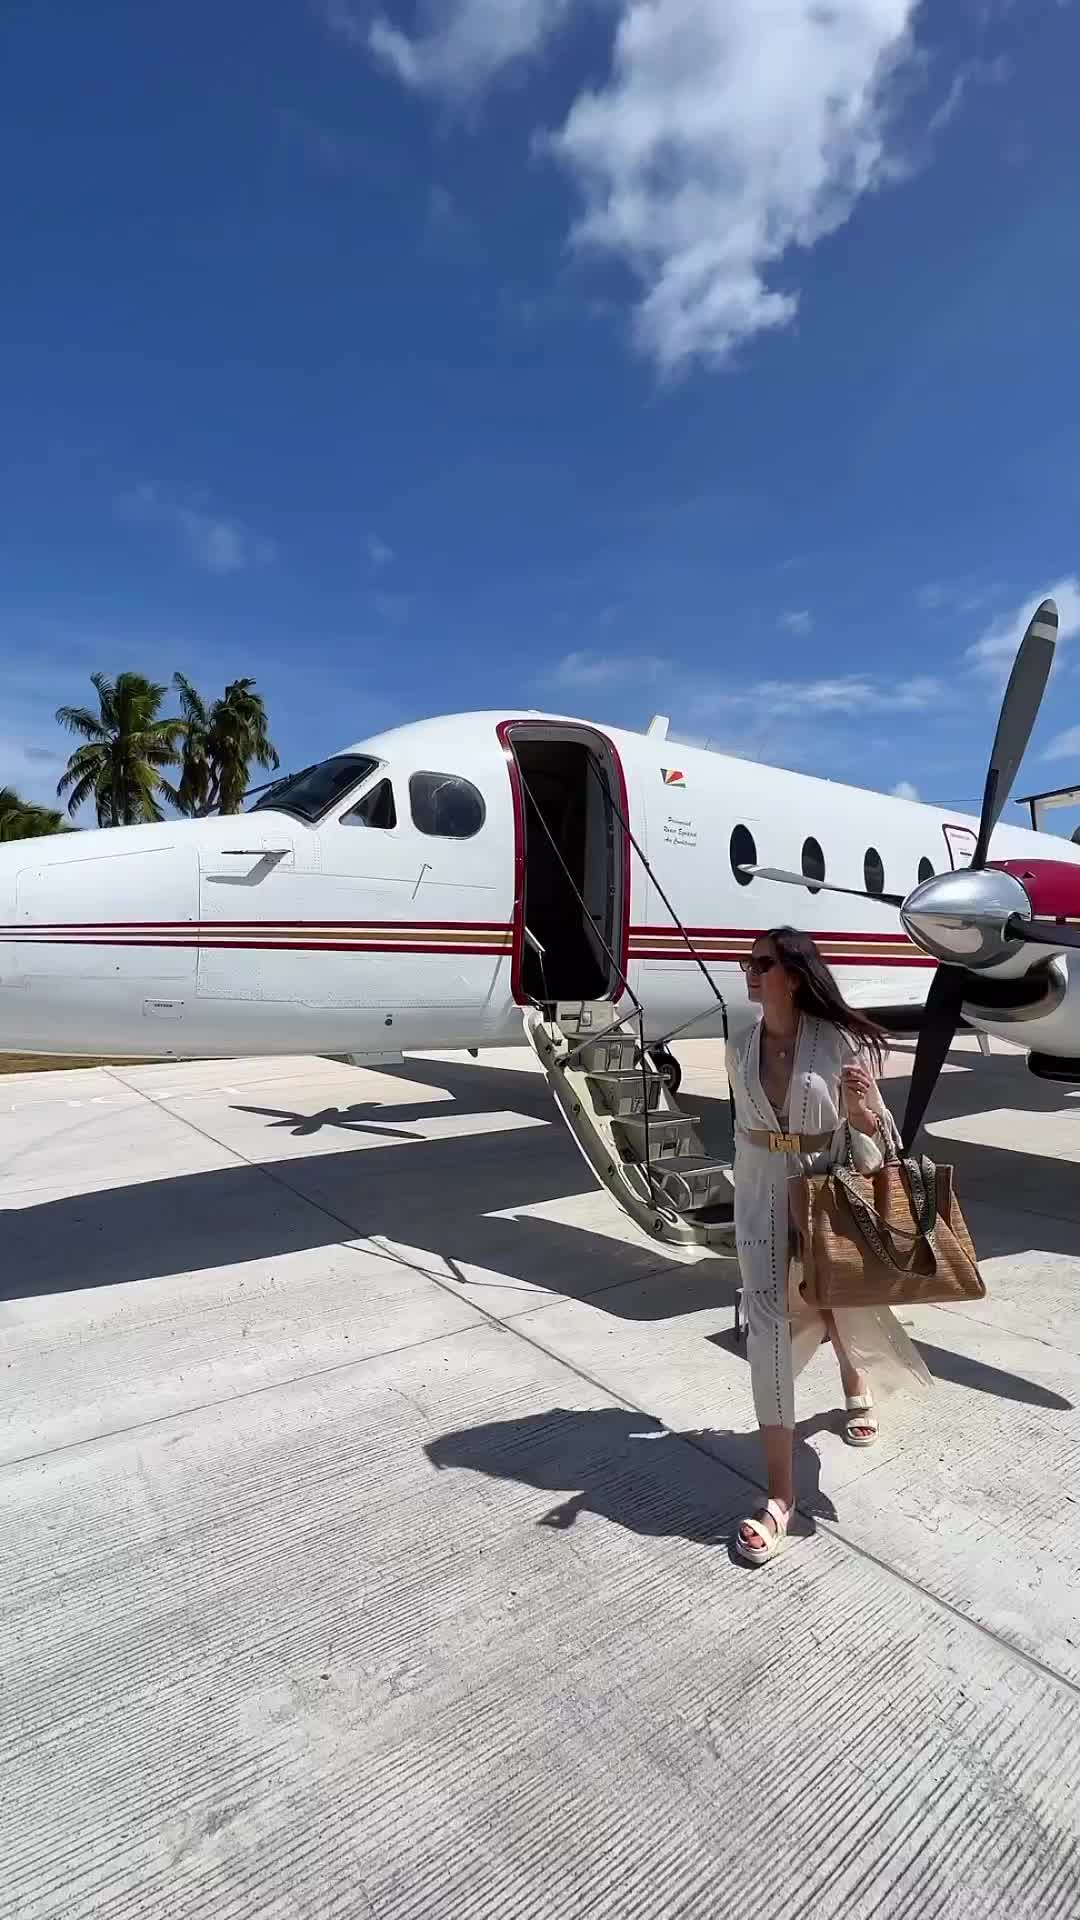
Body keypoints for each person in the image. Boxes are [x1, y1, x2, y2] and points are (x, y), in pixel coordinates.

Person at [727, 926, 930, 1566]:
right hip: (760, 1203)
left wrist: (869, 1114)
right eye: (747, 963)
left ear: (793, 973)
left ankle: (855, 1382)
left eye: (761, 963)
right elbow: (744, 1131)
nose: (750, 973)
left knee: (837, 1306)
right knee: (767, 1331)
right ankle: (781, 1497)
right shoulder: (739, 1045)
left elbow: (877, 1134)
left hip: (827, 1196)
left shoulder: (840, 1044)